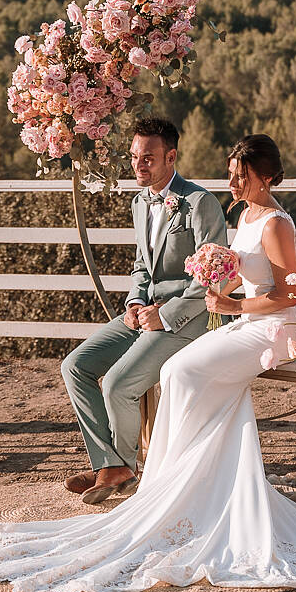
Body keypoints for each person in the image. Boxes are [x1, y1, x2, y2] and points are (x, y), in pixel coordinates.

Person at [0, 134, 296, 592]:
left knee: (184, 372)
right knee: (175, 372)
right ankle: (178, 486)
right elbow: (230, 274)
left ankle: (184, 487)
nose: (232, 181)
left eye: (241, 174)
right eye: (231, 172)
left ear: (266, 176)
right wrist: (216, 276)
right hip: (245, 321)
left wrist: (230, 305)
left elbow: (287, 294)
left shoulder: (276, 222)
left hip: (275, 328)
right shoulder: (244, 214)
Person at [59, 117, 228, 504]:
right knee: (75, 366)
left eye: (148, 158)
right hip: (143, 314)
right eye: (135, 157)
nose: (139, 165)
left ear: (171, 157)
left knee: (118, 383)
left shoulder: (200, 203)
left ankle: (123, 466)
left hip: (187, 320)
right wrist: (134, 303)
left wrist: (165, 315)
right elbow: (141, 266)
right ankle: (110, 462)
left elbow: (208, 281)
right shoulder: (139, 202)